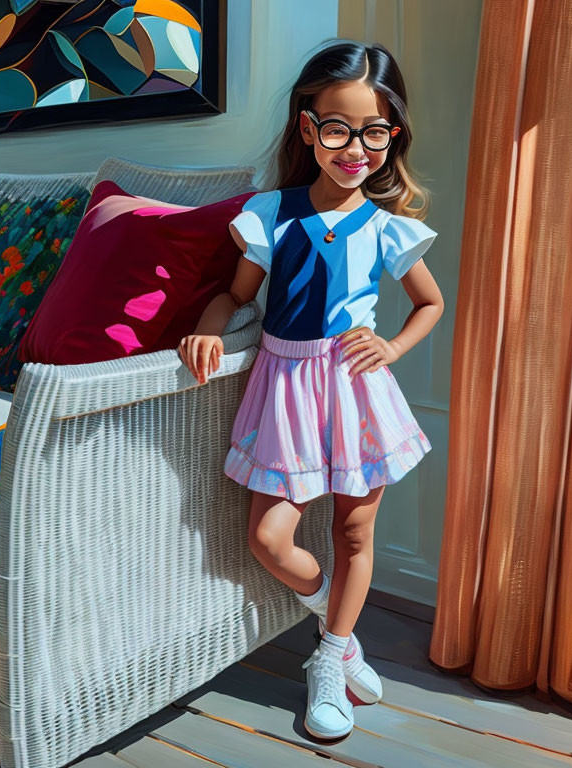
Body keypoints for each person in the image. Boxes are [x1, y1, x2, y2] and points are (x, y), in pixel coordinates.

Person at [177, 40, 444, 741]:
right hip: (284, 387)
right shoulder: (269, 214)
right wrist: (208, 328)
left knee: (355, 530)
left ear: (391, 136)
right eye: (338, 129)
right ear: (308, 128)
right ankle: (339, 620)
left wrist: (390, 345)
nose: (356, 148)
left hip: (355, 390)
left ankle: (328, 660)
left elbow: (430, 305)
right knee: (272, 538)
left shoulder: (389, 229)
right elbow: (232, 296)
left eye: (375, 132)